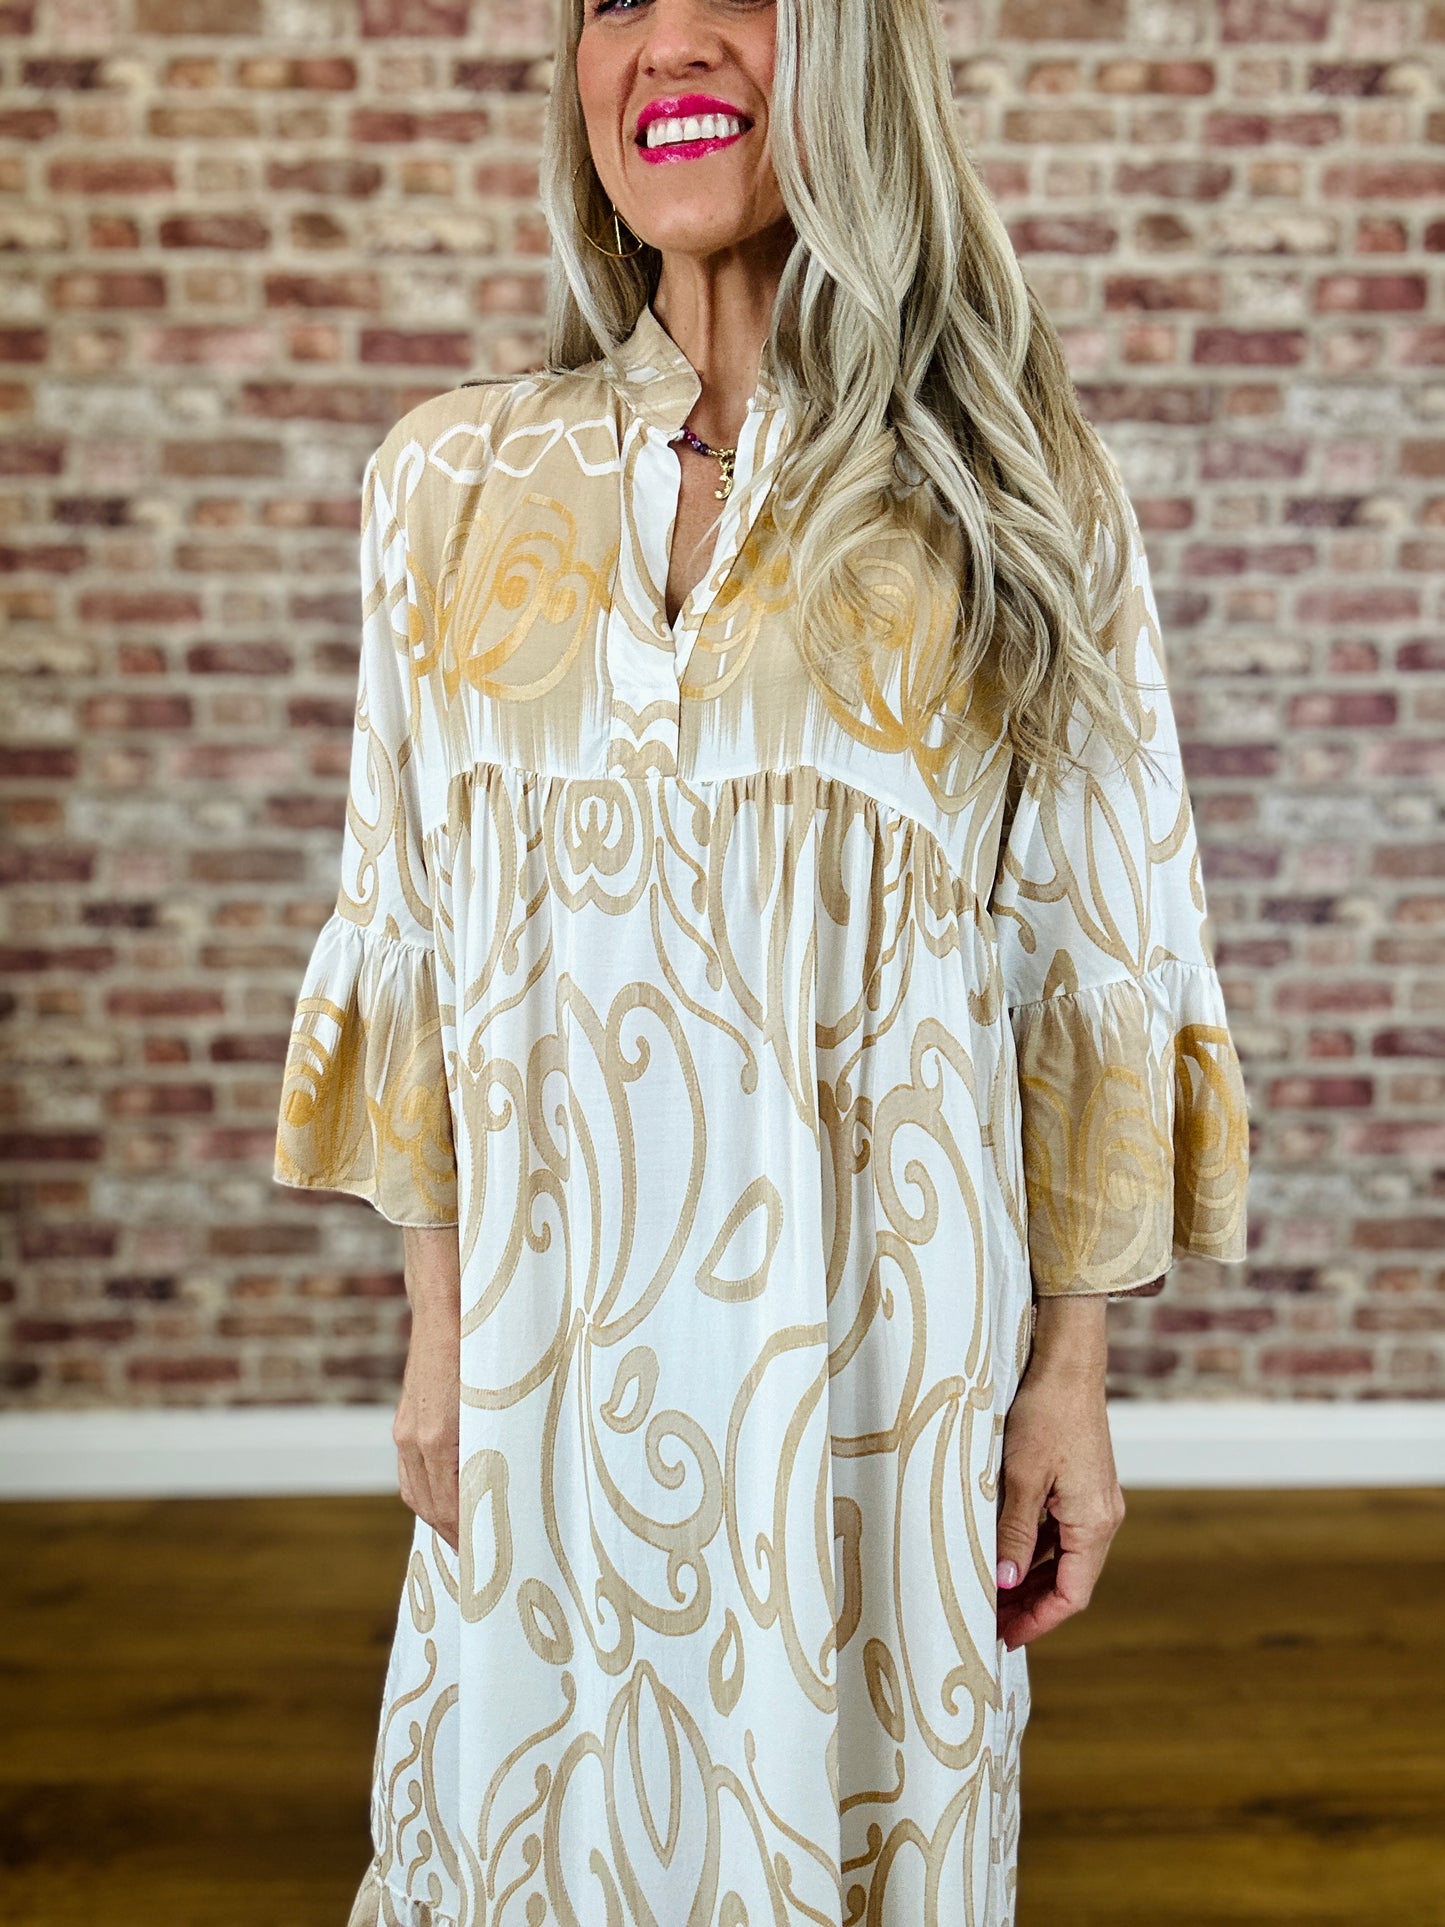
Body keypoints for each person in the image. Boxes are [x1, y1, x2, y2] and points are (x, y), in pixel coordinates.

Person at [272, 0, 1251, 1919]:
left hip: (872, 1396)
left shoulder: (1016, 496)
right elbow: (406, 935)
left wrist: (1068, 1378)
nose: (669, 39)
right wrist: (438, 1331)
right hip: (549, 1386)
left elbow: (1100, 961)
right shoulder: (445, 490)